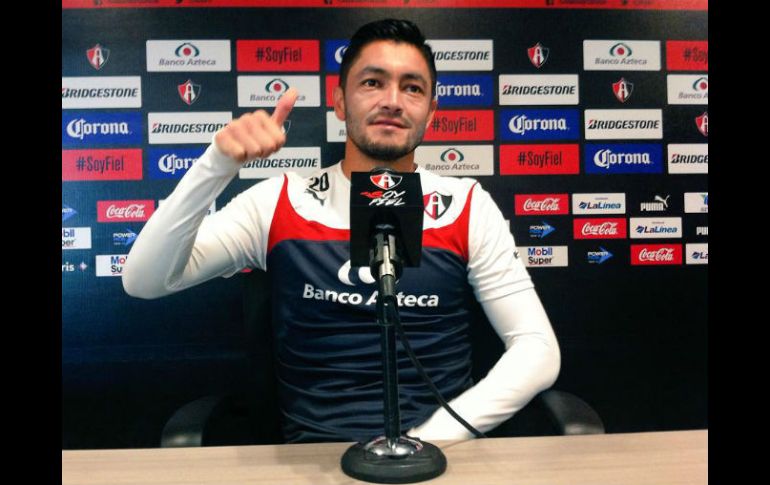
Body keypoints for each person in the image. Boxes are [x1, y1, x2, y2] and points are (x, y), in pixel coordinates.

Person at [123, 18, 560, 444]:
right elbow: (144, 281)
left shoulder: (466, 205)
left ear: (431, 112)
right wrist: (215, 166)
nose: (392, 101)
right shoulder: (279, 201)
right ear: (339, 102)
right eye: (372, 82)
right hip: (315, 461)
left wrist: (428, 439)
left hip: (442, 456)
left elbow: (537, 349)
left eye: (412, 88)